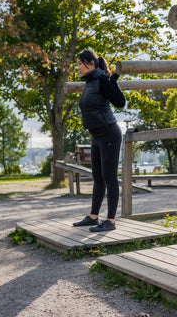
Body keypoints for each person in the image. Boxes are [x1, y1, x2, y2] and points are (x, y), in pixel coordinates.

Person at [72, 50, 126, 232]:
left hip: (109, 133)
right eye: (77, 64)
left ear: (91, 63)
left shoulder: (102, 79)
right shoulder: (89, 83)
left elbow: (120, 102)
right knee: (97, 178)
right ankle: (93, 217)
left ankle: (110, 221)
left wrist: (113, 80)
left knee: (109, 178)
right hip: (96, 136)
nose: (77, 67)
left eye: (80, 63)